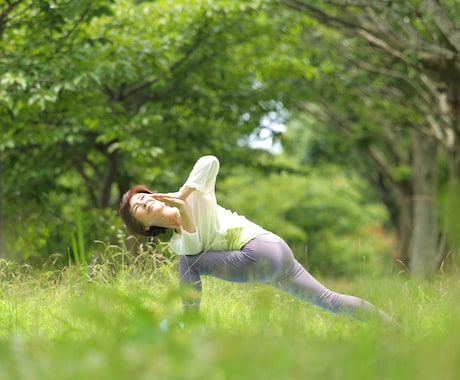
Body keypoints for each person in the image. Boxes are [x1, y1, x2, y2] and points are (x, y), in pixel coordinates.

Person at [119, 155, 391, 322]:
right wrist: (184, 211)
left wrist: (184, 194)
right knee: (330, 301)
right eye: (138, 208)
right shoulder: (178, 244)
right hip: (270, 261)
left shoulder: (197, 194)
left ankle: (190, 326)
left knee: (187, 265)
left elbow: (210, 160)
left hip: (263, 248)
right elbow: (192, 245)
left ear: (154, 194)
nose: (143, 202)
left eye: (144, 196)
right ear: (144, 227)